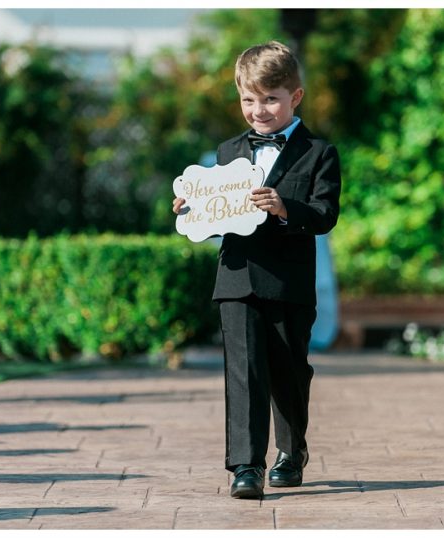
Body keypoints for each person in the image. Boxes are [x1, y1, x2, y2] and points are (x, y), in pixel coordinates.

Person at [172, 40, 341, 499]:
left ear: (295, 97)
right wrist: (191, 211)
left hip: (288, 282)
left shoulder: (319, 153)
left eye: (270, 99)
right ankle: (245, 467)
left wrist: (288, 209)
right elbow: (213, 217)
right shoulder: (226, 152)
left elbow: (325, 215)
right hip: (236, 276)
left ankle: (291, 451)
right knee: (243, 372)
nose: (259, 110)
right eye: (249, 99)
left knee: (288, 371)